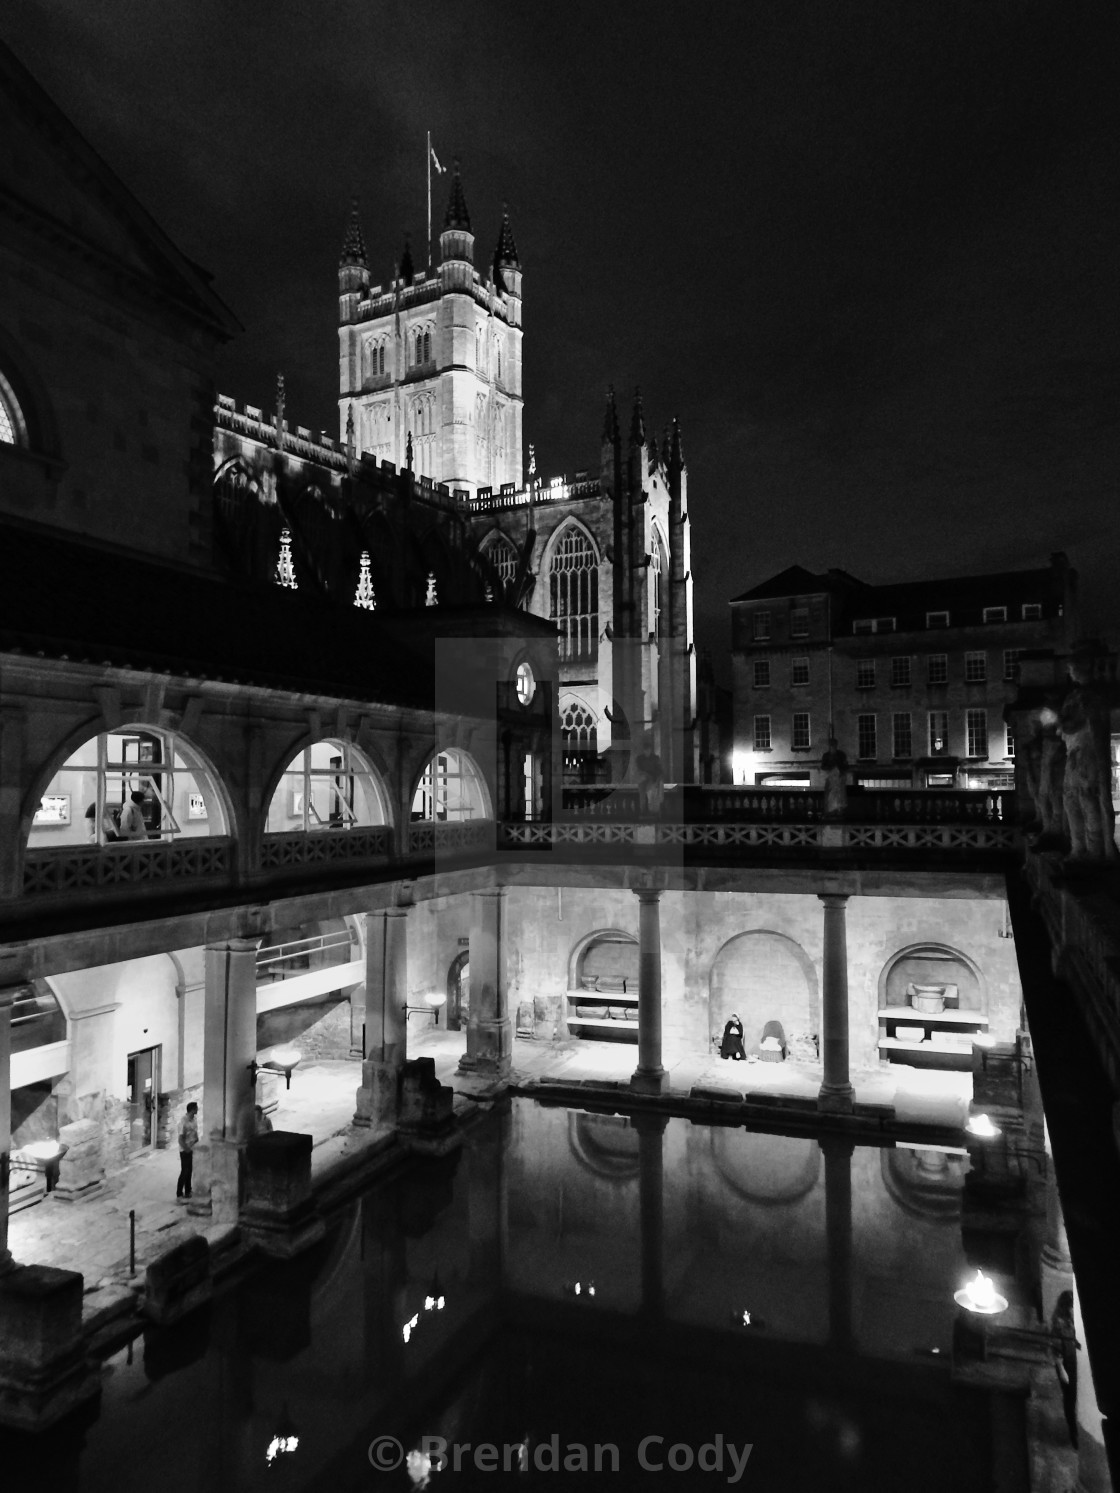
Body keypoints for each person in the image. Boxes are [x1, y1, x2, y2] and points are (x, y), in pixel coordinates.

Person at [176, 1100, 199, 1201]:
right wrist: (186, 1149)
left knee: (190, 1170)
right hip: (185, 1150)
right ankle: (179, 1194)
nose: (197, 1109)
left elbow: (195, 1133)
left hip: (192, 1148)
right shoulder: (183, 1122)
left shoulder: (194, 1120)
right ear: (192, 1110)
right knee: (184, 1171)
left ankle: (188, 1191)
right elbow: (180, 1139)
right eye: (196, 1108)